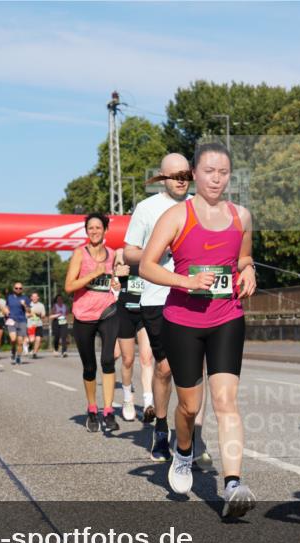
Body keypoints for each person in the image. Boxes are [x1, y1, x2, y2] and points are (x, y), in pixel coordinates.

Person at [140, 142, 257, 518]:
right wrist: (186, 282)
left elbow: (243, 258)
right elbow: (146, 266)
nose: (217, 179)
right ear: (195, 172)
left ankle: (234, 484)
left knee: (225, 401)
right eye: (209, 171)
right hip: (182, 321)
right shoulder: (177, 215)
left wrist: (249, 270)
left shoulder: (242, 216)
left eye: (223, 172)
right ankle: (183, 452)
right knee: (190, 407)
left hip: (227, 317)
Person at [124, 153, 212, 463]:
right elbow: (128, 252)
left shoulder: (201, 207)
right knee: (164, 368)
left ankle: (194, 441)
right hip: (158, 296)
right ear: (162, 176)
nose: (180, 179)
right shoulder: (147, 209)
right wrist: (155, 252)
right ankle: (161, 430)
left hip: (194, 296)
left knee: (195, 371)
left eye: (185, 174)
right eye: (173, 174)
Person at [65, 212, 120, 433]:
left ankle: (108, 411)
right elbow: (69, 286)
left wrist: (117, 280)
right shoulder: (80, 254)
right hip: (83, 315)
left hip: (108, 311)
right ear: (86, 231)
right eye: (90, 228)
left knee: (108, 359)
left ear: (106, 230)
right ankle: (92, 408)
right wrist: (92, 275)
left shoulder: (113, 254)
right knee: (90, 367)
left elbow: (112, 281)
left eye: (98, 227)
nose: (94, 231)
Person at [112, 248, 155, 422]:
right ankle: (128, 398)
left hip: (145, 309)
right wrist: (116, 274)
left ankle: (148, 403)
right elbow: (112, 278)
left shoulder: (153, 249)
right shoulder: (121, 252)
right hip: (125, 311)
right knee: (128, 359)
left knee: (146, 357)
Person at [5, 282, 29, 365]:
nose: (18, 290)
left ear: (22, 289)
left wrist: (24, 305)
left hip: (22, 321)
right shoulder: (9, 297)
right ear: (13, 289)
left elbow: (29, 310)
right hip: (12, 320)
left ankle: (18, 356)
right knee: (13, 339)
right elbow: (6, 307)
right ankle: (13, 350)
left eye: (20, 288)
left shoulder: (25, 298)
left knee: (20, 342)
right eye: (16, 288)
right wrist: (6, 312)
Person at [27, 291, 47, 359]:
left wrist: (41, 315)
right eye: (33, 297)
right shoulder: (28, 305)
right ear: (31, 298)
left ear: (38, 297)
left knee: (38, 339)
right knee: (32, 340)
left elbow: (43, 315)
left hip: (38, 324)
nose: (35, 298)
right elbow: (26, 315)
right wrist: (33, 313)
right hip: (30, 325)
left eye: (36, 297)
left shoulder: (41, 305)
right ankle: (30, 346)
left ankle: (35, 353)